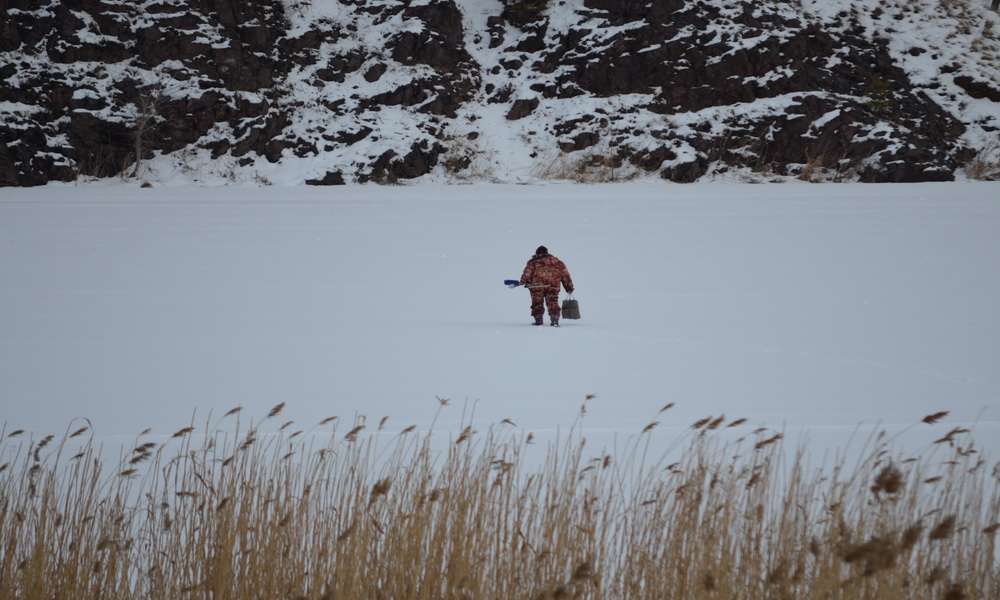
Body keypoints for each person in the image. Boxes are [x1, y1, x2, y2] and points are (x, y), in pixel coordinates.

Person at [519, 246, 574, 326]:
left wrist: (523, 282)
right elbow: (565, 275)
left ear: (537, 253)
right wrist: (569, 287)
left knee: (537, 304)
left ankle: (538, 321)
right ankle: (555, 321)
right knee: (553, 303)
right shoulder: (558, 262)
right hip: (553, 286)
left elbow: (527, 273)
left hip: (536, 287)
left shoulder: (533, 262)